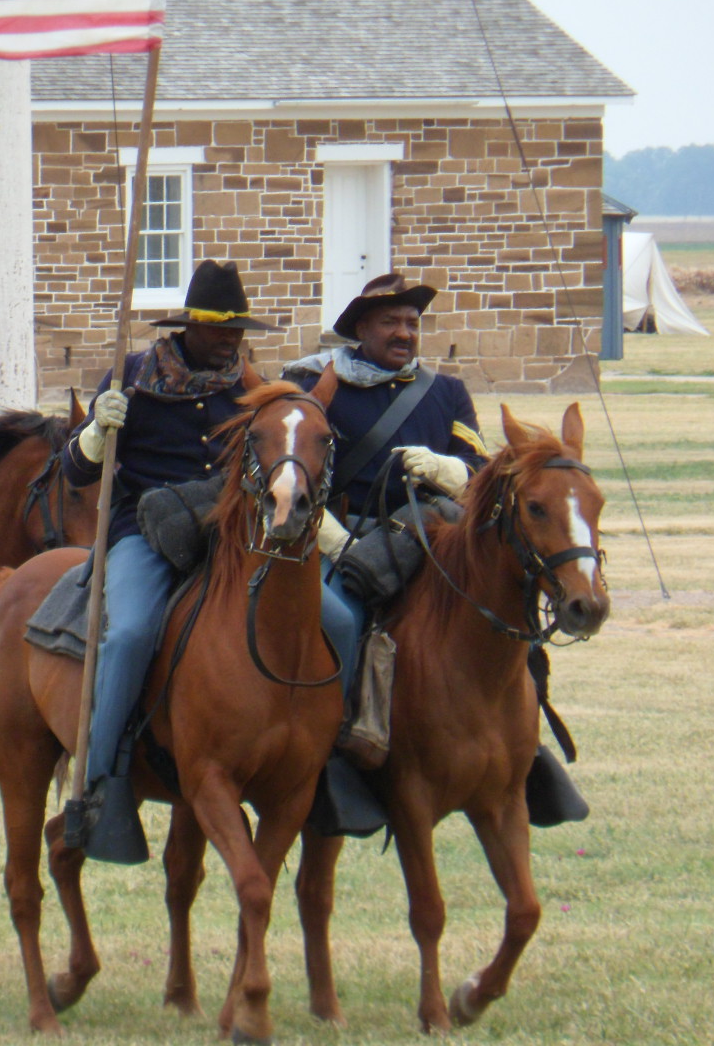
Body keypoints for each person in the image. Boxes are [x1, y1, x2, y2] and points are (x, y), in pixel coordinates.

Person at [62, 261, 281, 862]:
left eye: (237, 328)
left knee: (324, 618)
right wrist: (94, 434)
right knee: (130, 634)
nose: (230, 339)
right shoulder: (132, 378)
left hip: (234, 539)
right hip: (146, 534)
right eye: (219, 328)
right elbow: (75, 472)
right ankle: (100, 783)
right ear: (189, 327)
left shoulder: (254, 389)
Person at [282, 273, 484, 698]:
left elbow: (478, 471)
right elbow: (289, 470)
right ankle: (337, 725)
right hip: (340, 539)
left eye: (412, 323)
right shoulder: (314, 384)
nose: (404, 333)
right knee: (343, 623)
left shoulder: (447, 392)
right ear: (362, 330)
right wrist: (329, 536)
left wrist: (443, 469)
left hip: (427, 540)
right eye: (390, 322)